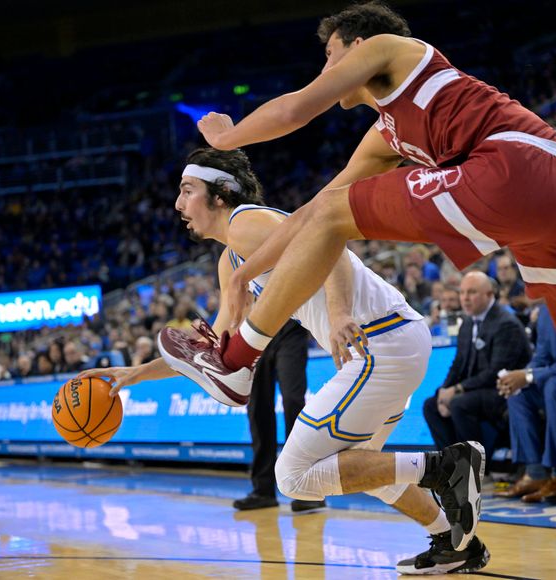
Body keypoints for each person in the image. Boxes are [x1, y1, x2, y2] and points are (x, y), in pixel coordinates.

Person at [168, 2, 556, 557]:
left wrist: (226, 139)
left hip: (514, 166)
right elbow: (313, 215)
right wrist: (246, 271)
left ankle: (240, 359)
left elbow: (297, 111)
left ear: (358, 44)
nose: (328, 68)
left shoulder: (392, 48)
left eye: (331, 55)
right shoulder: (385, 135)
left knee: (335, 214)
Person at [82, 148, 489, 574]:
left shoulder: (247, 222)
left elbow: (330, 240)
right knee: (366, 470)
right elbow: (216, 350)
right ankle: (454, 542)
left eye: (187, 191)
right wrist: (137, 374)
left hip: (379, 342)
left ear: (220, 195)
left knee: (294, 476)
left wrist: (338, 312)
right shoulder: (231, 261)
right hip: (389, 343)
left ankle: (448, 466)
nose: (178, 204)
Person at [422, 271, 530, 451]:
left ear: (489, 295)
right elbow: (458, 364)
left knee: (459, 403)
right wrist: (444, 390)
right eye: (462, 293)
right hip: (475, 389)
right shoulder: (468, 322)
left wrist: (457, 389)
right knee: (431, 405)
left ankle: (474, 468)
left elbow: (494, 372)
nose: (465, 298)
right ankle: (452, 465)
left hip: (501, 390)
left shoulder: (505, 324)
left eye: (472, 292)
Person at [496, 303, 556, 502]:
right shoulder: (546, 309)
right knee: (517, 392)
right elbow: (542, 356)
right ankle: (535, 472)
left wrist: (529, 376)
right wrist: (518, 376)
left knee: (554, 386)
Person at [232, 320, 320, 513]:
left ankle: (303, 489)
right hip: (255, 330)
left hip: (291, 328)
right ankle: (263, 491)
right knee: (257, 407)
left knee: (293, 401)